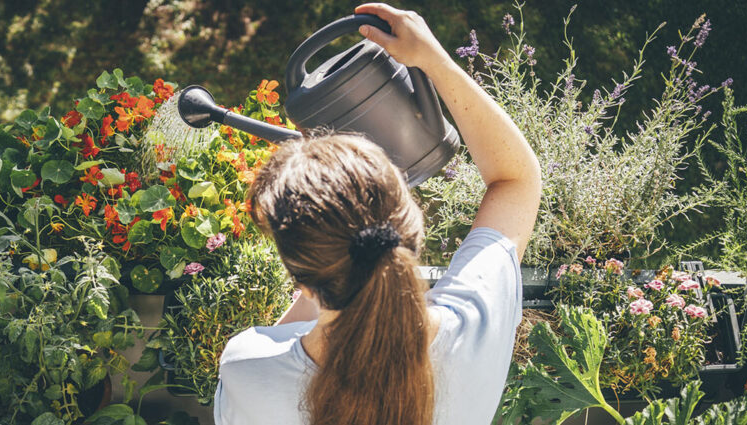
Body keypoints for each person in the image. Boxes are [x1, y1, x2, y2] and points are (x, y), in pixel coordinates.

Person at [213, 3, 542, 425]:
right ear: (409, 223)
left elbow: (293, 333)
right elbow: (516, 180)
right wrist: (433, 60)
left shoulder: (248, 368)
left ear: (298, 272)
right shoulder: (472, 327)